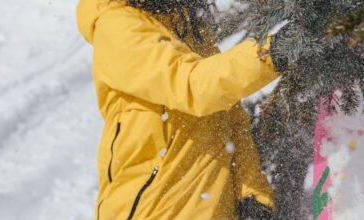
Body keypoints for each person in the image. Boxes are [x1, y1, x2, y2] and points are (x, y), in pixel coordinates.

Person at [77, 0, 279, 219]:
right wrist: (273, 52)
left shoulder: (184, 25)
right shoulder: (118, 26)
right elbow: (193, 85)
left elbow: (230, 117)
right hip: (154, 211)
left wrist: (251, 193)